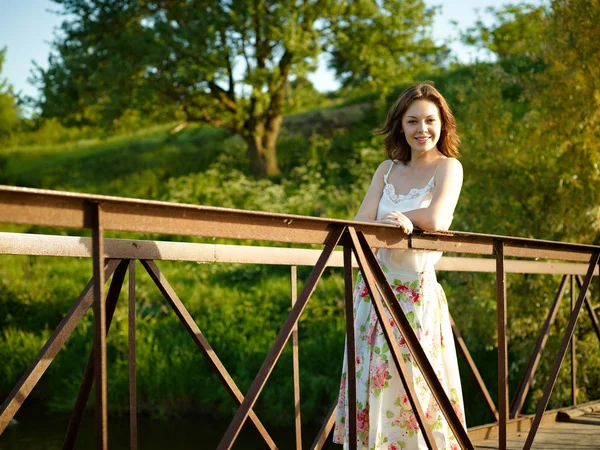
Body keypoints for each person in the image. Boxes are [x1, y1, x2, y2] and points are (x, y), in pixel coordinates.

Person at [333, 82, 466, 450]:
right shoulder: (386, 169)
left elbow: (437, 217)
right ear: (400, 126)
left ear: (443, 124)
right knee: (371, 380)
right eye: (412, 121)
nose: (422, 129)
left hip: (414, 292)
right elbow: (361, 221)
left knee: (413, 385)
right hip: (373, 291)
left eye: (429, 120)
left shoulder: (448, 168)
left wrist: (404, 218)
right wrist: (401, 220)